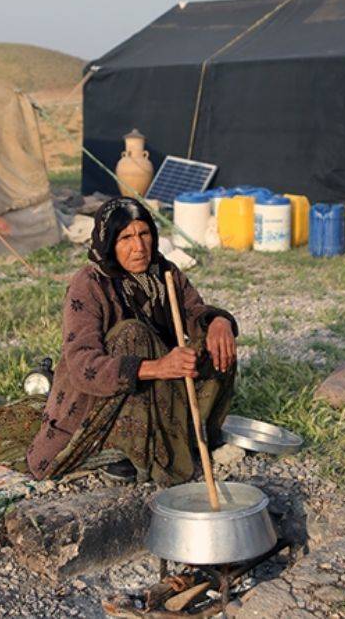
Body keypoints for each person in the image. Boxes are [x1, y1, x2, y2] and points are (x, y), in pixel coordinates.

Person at [13, 197, 238, 486]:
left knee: (216, 338)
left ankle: (190, 434)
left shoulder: (165, 272)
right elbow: (83, 363)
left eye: (144, 234)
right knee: (132, 333)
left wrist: (219, 321)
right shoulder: (89, 284)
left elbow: (193, 311)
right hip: (98, 398)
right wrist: (157, 367)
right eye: (126, 238)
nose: (139, 247)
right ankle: (117, 448)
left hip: (159, 381)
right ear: (108, 242)